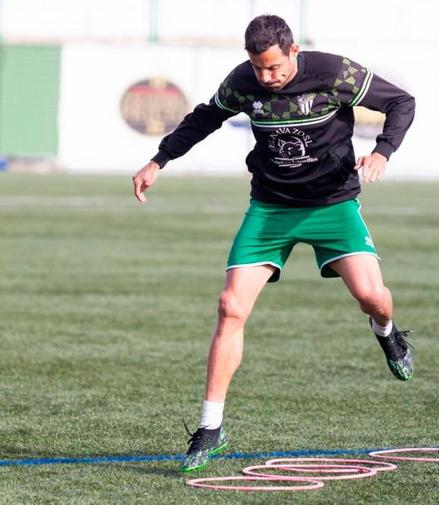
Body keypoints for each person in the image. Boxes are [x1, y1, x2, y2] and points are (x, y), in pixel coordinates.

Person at [131, 14, 416, 473]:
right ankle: (210, 427)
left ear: (294, 51)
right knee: (230, 307)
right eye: (259, 69)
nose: (267, 78)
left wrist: (383, 150)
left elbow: (402, 101)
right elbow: (205, 118)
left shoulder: (334, 72)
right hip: (270, 209)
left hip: (332, 205)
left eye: (274, 69)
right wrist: (158, 159)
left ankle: (388, 335)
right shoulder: (245, 82)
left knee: (373, 299)